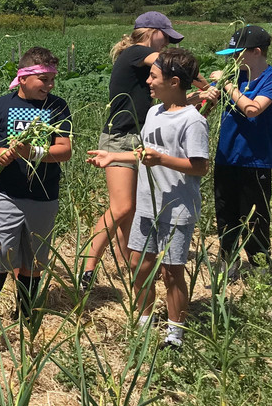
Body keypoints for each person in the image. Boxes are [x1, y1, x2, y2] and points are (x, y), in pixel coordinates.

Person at [87, 48, 209, 349]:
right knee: (140, 266)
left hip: (176, 208)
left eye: (154, 77)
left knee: (171, 272)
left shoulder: (192, 121)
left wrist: (163, 160)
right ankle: (141, 323)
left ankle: (175, 334)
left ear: (175, 81)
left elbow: (200, 166)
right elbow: (145, 154)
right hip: (146, 204)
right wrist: (113, 155)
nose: (149, 82)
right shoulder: (154, 113)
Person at [80, 12, 186, 290]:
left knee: (134, 210)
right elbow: (171, 64)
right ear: (152, 32)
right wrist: (200, 81)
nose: (165, 45)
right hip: (120, 138)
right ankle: (87, 268)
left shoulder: (142, 61)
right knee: (122, 206)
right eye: (165, 38)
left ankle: (130, 267)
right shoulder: (135, 52)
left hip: (139, 139)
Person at [0, 48, 72, 319]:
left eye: (52, 80)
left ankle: (25, 313)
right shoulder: (1, 105)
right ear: (24, 78)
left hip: (43, 194)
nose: (49, 85)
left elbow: (65, 149)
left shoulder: (57, 106)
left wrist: (34, 153)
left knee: (35, 258)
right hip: (6, 192)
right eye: (43, 79)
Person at [210, 25, 272, 280]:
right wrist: (208, 89)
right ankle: (227, 262)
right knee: (225, 214)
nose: (233, 58)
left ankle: (259, 266)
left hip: (255, 160)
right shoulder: (234, 77)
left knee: (255, 217)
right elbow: (205, 105)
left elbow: (253, 109)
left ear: (256, 52)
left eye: (237, 53)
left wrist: (229, 85)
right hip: (226, 156)